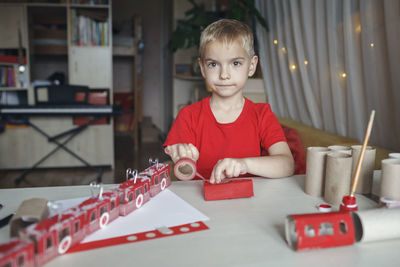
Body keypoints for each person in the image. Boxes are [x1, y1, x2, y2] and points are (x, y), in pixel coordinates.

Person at [164, 19, 294, 184]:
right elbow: (184, 175)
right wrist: (185, 162)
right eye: (213, 64)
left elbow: (287, 164)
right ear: (203, 68)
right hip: (203, 205)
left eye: (236, 63)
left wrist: (244, 164)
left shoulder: (262, 114)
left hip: (250, 204)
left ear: (252, 66)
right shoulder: (188, 116)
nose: (224, 75)